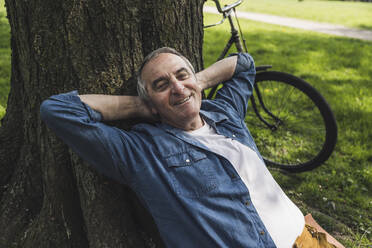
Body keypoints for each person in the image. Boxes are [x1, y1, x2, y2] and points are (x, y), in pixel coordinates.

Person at [40, 47, 343, 248]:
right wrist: (141, 106)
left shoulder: (225, 114)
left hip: (309, 239)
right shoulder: (141, 153)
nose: (177, 87)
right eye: (161, 85)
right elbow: (58, 111)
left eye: (181, 75)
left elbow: (244, 64)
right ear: (149, 100)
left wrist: (193, 83)